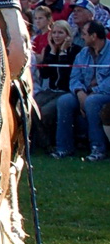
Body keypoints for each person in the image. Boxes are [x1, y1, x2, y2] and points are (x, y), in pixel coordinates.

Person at [54, 21, 110, 160]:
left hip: (103, 94)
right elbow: (74, 76)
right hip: (84, 93)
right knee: (64, 101)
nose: (82, 37)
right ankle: (63, 148)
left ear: (94, 36)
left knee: (92, 102)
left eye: (84, 34)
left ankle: (98, 149)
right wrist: (79, 92)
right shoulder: (83, 53)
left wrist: (91, 92)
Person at [32, 20, 76, 151]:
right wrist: (52, 51)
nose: (56, 36)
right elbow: (45, 74)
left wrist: (63, 53)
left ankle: (49, 144)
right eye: (54, 33)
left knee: (45, 112)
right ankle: (42, 143)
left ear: (68, 35)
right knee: (32, 107)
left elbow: (65, 75)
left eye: (60, 33)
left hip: (66, 91)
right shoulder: (49, 50)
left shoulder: (75, 51)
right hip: (50, 90)